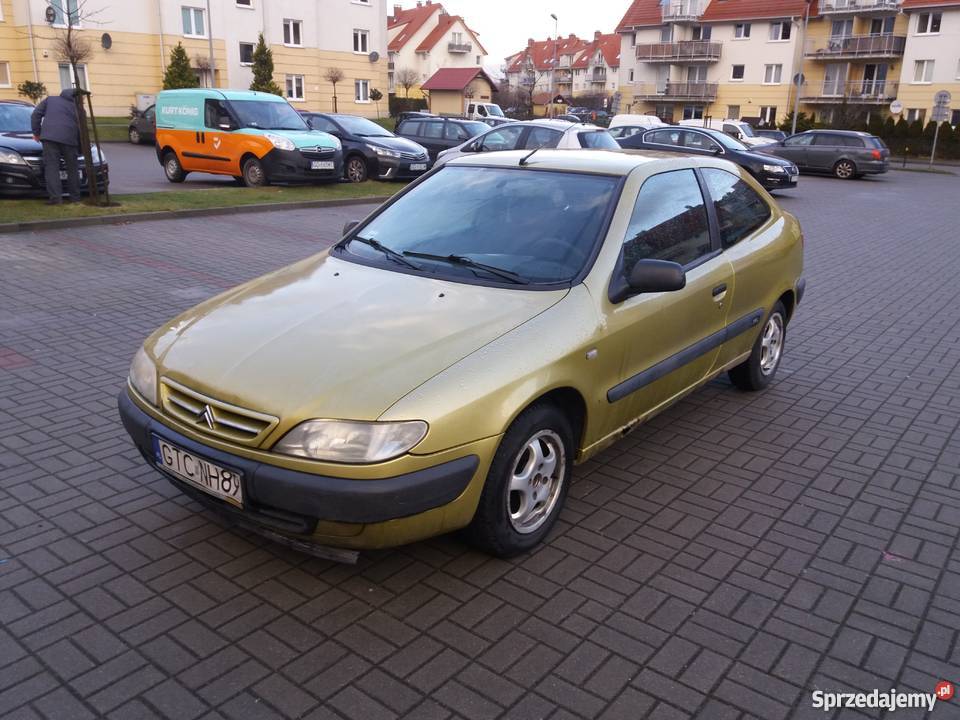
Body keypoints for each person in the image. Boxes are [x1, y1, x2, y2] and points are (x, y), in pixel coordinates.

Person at [31, 88, 82, 205]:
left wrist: (37, 133)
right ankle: (75, 197)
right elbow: (81, 130)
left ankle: (56, 199)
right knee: (73, 169)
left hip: (49, 138)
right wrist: (79, 148)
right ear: (77, 97)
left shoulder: (50, 100)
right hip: (70, 140)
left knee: (52, 168)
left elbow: (35, 115)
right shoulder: (79, 108)